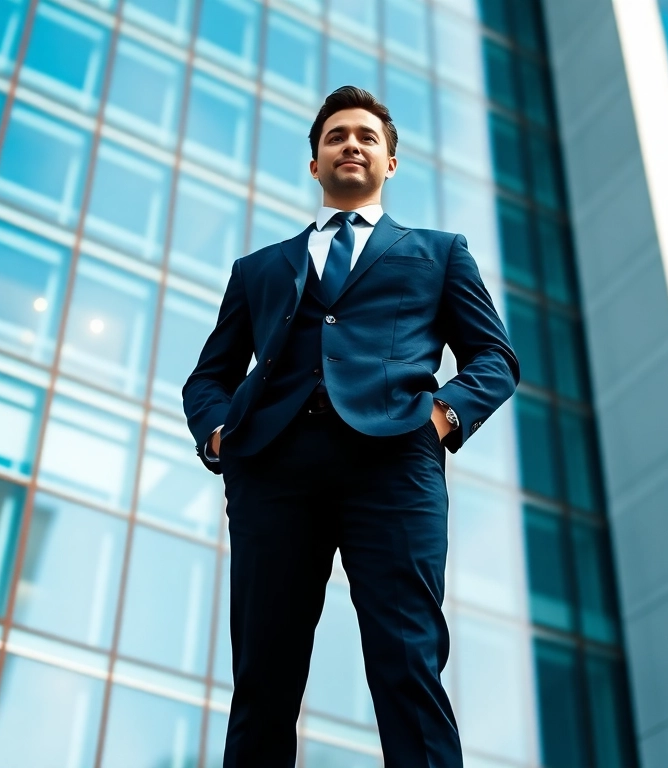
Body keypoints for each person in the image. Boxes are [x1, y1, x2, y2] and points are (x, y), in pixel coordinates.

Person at [182, 85, 519, 768]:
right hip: (272, 470)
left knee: (408, 661)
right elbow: (207, 378)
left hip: (393, 465)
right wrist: (220, 434)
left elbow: (495, 357)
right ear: (315, 164)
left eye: (366, 136)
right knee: (263, 676)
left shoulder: (439, 252)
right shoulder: (258, 269)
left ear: (390, 162)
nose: (351, 145)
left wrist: (440, 418)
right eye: (336, 137)